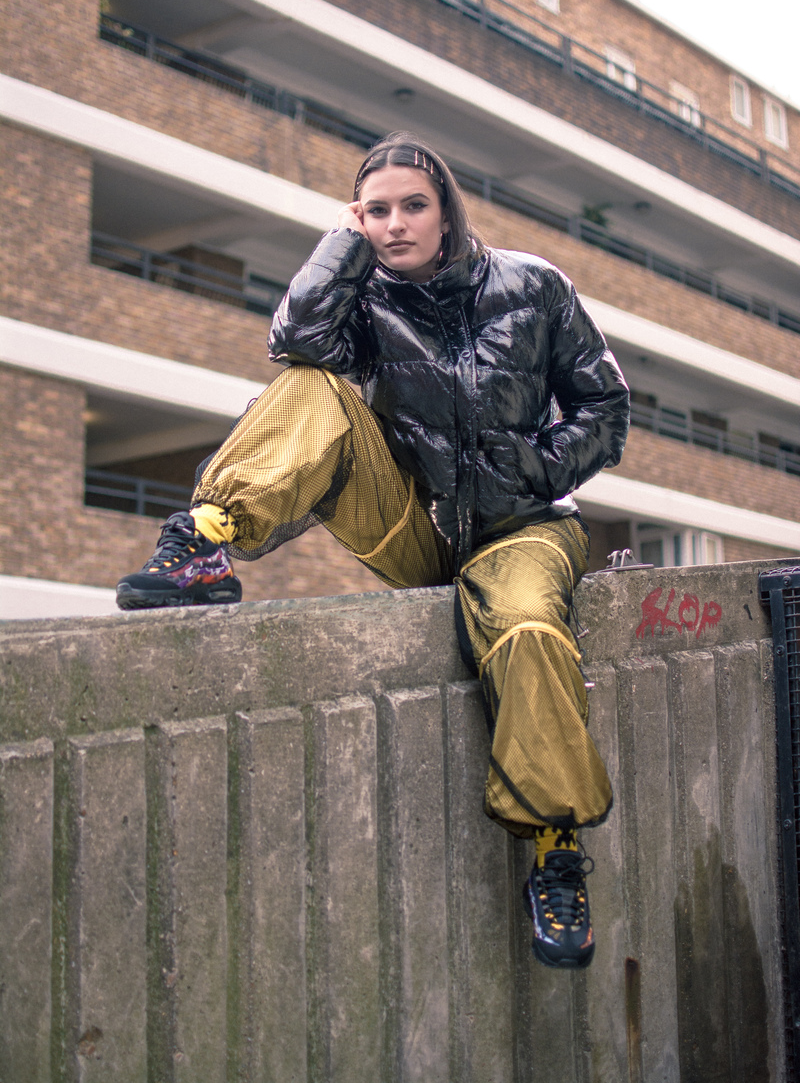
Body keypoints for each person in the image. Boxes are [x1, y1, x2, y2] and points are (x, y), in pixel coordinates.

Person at [116, 131, 630, 969]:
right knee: (310, 388)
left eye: (412, 206)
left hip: (522, 527)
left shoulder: (533, 285)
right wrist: (341, 248)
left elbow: (605, 407)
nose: (395, 224)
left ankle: (555, 849)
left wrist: (537, 465)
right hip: (417, 525)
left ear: (446, 210)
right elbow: (296, 343)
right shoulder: (365, 298)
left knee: (529, 627)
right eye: (376, 210)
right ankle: (206, 541)